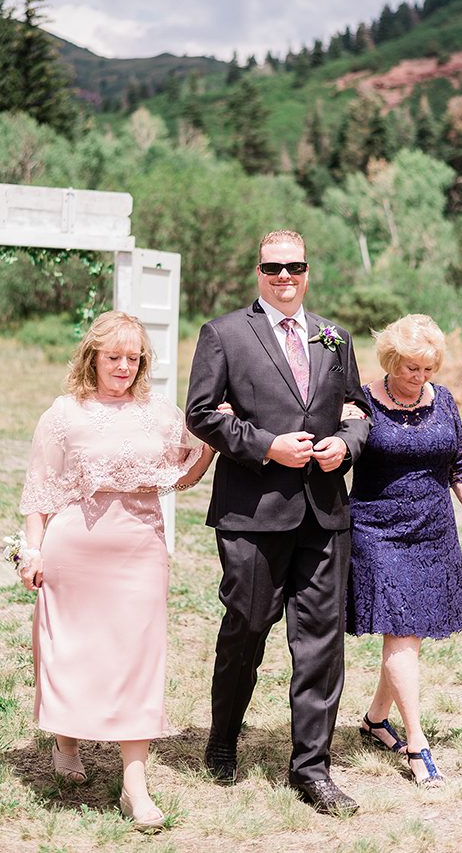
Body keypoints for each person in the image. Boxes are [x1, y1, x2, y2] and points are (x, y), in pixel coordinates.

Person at [184, 229, 370, 815]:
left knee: (320, 645)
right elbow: (200, 415)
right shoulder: (224, 334)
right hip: (252, 514)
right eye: (273, 268)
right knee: (246, 627)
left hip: (324, 511)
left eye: (295, 267)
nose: (284, 277)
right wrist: (267, 446)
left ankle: (311, 769)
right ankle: (222, 738)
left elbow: (358, 411)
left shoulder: (334, 337)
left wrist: (346, 446)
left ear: (308, 270)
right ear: (257, 272)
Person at [18, 311, 215, 833]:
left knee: (138, 659)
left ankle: (135, 784)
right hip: (74, 549)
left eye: (134, 358)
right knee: (75, 650)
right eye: (114, 357)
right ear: (93, 358)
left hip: (140, 551)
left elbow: (185, 471)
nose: (124, 367)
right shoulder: (63, 414)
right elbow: (39, 492)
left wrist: (214, 444)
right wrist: (32, 553)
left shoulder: (160, 413)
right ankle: (65, 740)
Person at [345, 314, 462, 787]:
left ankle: (377, 720)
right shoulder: (360, 399)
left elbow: (461, 467)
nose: (419, 378)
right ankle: (417, 744)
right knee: (402, 630)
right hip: (376, 531)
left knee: (408, 633)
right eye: (410, 369)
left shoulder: (445, 402)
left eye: (428, 369)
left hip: (433, 533)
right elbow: (337, 453)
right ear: (391, 361)